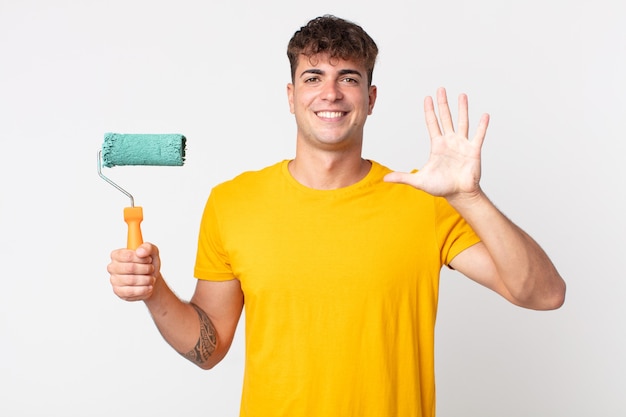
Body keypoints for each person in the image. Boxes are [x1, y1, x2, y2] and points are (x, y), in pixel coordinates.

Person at [107, 14, 566, 417]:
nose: (330, 92)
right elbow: (208, 349)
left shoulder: (423, 201)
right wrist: (153, 290)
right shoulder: (233, 202)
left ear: (370, 96)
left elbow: (544, 294)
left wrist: (469, 197)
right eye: (313, 77)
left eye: (348, 77)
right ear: (291, 95)